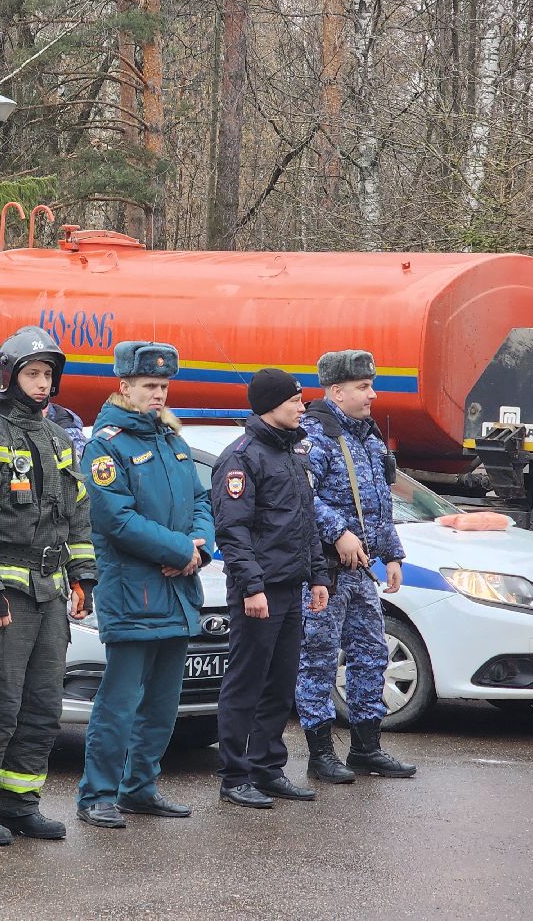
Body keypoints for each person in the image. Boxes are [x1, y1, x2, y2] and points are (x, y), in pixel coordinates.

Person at [0, 326, 97, 845]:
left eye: (48, 375)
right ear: (7, 376)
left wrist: (84, 576)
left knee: (40, 707)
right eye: (32, 374)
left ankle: (18, 804)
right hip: (2, 594)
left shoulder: (58, 438)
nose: (41, 384)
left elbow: (78, 515)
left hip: (49, 593)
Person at [75, 341, 214, 829]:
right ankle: (98, 794)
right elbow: (115, 518)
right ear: (124, 387)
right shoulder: (106, 445)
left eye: (163, 386)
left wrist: (200, 547)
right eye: (149, 386)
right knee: (119, 702)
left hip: (177, 594)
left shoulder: (171, 440)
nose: (158, 394)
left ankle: (140, 788)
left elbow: (202, 500)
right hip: (134, 593)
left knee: (161, 703)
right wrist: (180, 550)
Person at [211, 368, 330, 809]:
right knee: (247, 683)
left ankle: (267, 768)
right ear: (270, 404)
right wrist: (252, 587)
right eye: (295, 401)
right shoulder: (241, 458)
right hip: (257, 592)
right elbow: (233, 531)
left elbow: (306, 524)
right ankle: (235, 775)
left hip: (291, 587)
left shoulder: (292, 454)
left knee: (280, 686)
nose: (303, 407)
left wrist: (319, 575)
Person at [297, 350, 417, 781]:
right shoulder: (315, 435)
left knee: (371, 654)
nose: (373, 394)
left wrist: (393, 553)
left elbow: (380, 505)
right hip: (325, 572)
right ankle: (320, 753)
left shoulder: (366, 436)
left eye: (371, 385)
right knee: (318, 661)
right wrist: (337, 532)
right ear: (336, 391)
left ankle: (367, 748)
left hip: (362, 572)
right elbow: (301, 496)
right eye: (364, 387)